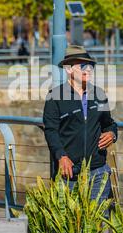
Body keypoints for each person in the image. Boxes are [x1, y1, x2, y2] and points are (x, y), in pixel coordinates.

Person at [43, 45, 118, 204]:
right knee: (71, 226)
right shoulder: (54, 97)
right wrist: (61, 156)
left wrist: (112, 134)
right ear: (69, 69)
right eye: (83, 66)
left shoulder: (99, 94)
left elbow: (109, 124)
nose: (89, 70)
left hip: (98, 172)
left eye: (91, 66)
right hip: (69, 174)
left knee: (98, 224)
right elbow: (51, 131)